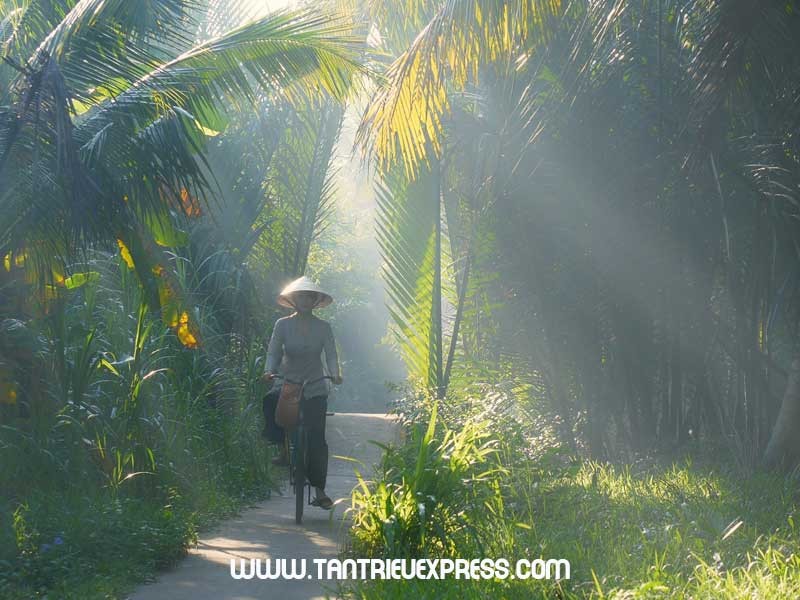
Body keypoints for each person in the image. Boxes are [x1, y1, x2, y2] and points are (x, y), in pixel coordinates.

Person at [261, 276, 343, 510]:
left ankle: (319, 490)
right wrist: (269, 371)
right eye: (300, 297)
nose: (305, 300)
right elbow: (274, 352)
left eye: (309, 297)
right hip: (287, 382)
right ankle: (282, 448)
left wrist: (335, 374)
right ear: (293, 300)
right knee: (270, 401)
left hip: (315, 384)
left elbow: (331, 355)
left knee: (317, 438)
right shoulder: (282, 325)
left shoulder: (324, 327)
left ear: (315, 300)